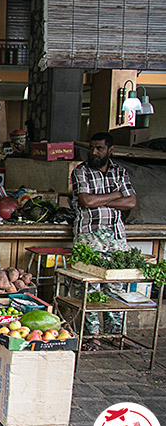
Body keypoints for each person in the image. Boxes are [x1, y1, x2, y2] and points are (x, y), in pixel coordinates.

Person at [71, 131, 137, 342]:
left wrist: (101, 200)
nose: (94, 152)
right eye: (92, 148)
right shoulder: (81, 171)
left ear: (110, 150)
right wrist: (116, 195)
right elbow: (86, 202)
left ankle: (115, 334)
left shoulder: (120, 172)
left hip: (116, 236)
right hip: (89, 235)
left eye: (99, 148)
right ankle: (91, 337)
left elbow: (131, 202)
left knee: (116, 287)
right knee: (89, 287)